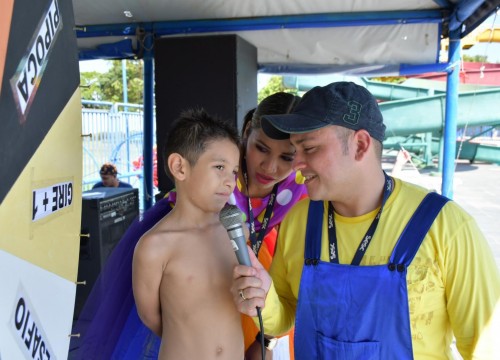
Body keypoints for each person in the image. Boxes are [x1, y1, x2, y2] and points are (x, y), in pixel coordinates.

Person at [232, 82, 500, 359]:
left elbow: (485, 349)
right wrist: (263, 298)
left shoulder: (446, 227)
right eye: (295, 150)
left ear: (360, 145)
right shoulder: (298, 221)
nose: (296, 164)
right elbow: (284, 317)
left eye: (308, 148)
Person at [70, 93, 307, 360]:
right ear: (247, 133)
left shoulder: (300, 200)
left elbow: (290, 293)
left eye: (287, 157)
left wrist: (265, 341)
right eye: (261, 148)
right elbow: (152, 317)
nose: (270, 166)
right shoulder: (161, 239)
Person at [132, 108, 243, 359]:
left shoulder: (235, 230)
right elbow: (151, 317)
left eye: (234, 171)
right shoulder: (155, 246)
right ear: (179, 167)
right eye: (219, 167)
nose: (230, 181)